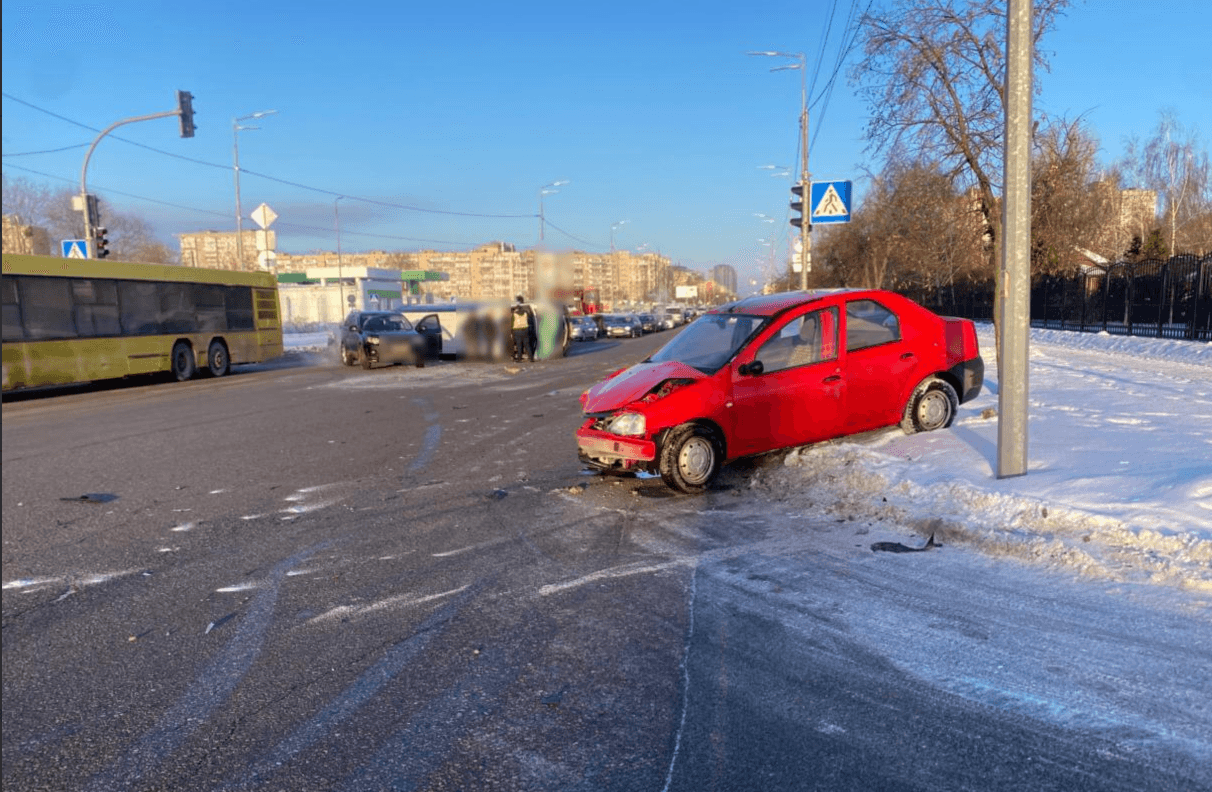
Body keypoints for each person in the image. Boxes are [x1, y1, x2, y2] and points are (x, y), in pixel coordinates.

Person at [510, 294, 537, 362]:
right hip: (525, 330)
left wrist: (512, 332)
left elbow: (512, 324)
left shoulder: (514, 314)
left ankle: (519, 359)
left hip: (517, 331)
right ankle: (531, 358)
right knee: (527, 345)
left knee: (519, 345)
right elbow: (530, 320)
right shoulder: (526, 312)